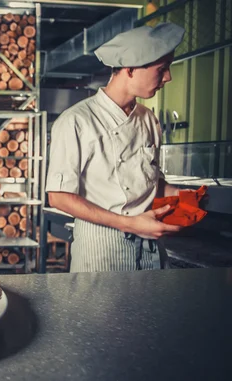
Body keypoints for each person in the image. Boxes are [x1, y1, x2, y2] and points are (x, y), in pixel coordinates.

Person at [45, 23, 186, 272]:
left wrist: (184, 196)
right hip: (102, 252)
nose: (168, 77)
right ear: (130, 69)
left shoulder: (149, 119)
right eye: (161, 69)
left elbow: (150, 181)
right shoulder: (77, 120)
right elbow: (58, 197)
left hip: (151, 249)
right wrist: (129, 224)